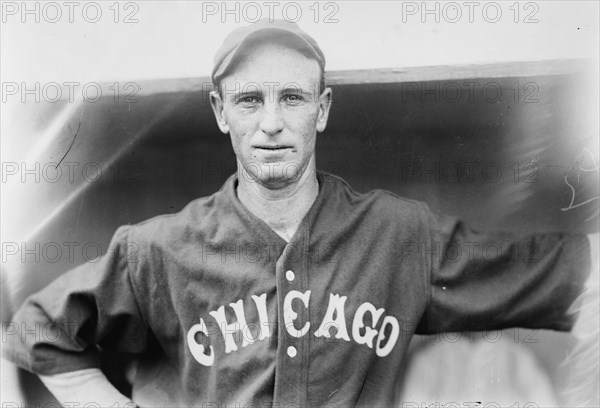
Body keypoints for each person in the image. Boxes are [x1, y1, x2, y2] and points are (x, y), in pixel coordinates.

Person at [3, 19, 598, 408]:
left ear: (322, 108)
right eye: (248, 100)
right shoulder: (159, 248)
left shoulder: (399, 234)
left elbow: (559, 271)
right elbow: (38, 331)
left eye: (292, 97)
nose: (270, 123)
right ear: (219, 111)